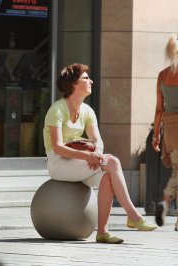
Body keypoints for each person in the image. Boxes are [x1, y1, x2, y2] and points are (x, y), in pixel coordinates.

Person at [44, 63, 157, 244]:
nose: (91, 81)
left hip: (79, 162)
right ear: (73, 84)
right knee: (112, 162)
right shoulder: (57, 110)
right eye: (86, 78)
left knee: (107, 176)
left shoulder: (87, 111)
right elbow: (57, 147)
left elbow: (98, 141)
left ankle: (103, 232)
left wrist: (96, 154)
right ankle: (133, 215)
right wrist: (89, 157)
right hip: (58, 163)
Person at [153, 34, 178, 231]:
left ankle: (166, 205)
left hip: (169, 128)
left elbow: (159, 109)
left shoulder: (162, 75)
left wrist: (156, 135)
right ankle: (166, 201)